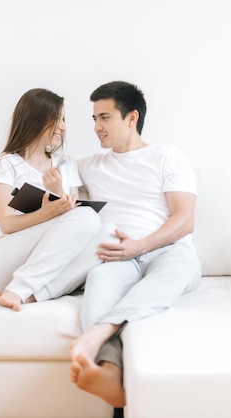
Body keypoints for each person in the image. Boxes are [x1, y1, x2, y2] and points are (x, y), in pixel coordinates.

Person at [68, 81, 201, 408]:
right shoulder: (89, 165)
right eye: (94, 119)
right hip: (117, 257)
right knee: (99, 282)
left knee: (177, 269)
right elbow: (37, 170)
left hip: (168, 252)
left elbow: (185, 219)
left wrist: (140, 246)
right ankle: (110, 373)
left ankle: (97, 335)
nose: (97, 127)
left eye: (105, 117)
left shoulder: (168, 156)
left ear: (131, 118)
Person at [0, 88, 115, 312]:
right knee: (85, 217)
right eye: (56, 118)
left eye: (63, 119)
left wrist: (58, 191)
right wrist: (47, 212)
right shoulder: (7, 163)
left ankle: (28, 294)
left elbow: (71, 222)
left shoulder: (66, 164)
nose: (63, 126)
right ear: (36, 119)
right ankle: (21, 288)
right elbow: (7, 224)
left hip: (40, 269)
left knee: (109, 232)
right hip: (2, 258)